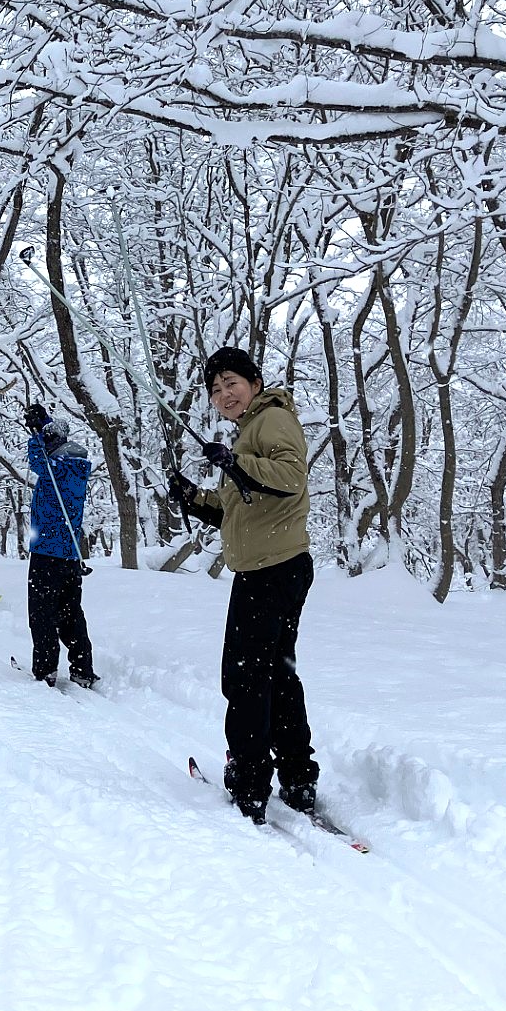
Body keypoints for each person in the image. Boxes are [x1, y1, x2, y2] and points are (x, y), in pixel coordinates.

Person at [168, 346, 318, 826]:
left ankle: (251, 781)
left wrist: (234, 461)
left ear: (253, 382)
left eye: (231, 382)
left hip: (269, 573)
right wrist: (194, 497)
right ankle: (297, 778)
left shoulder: (270, 420)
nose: (223, 394)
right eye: (215, 389)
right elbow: (241, 506)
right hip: (277, 567)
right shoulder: (251, 431)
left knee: (246, 678)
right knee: (278, 675)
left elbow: (291, 479)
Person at [23, 404, 97, 688]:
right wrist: (46, 426)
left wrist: (38, 433)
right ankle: (82, 668)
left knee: (42, 612)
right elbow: (47, 450)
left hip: (46, 553)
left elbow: (37, 459)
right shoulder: (75, 467)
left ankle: (46, 669)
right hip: (69, 554)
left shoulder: (54, 467)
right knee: (70, 612)